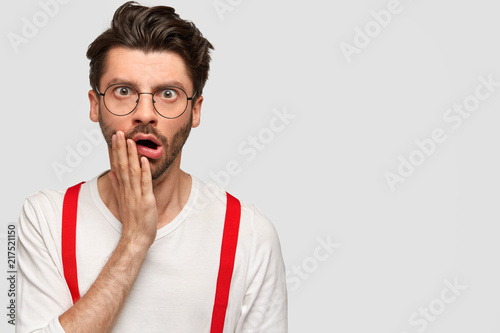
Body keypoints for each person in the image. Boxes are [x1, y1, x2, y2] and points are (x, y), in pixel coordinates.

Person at [16, 2, 288, 332]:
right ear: (95, 105)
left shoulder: (249, 234)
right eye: (123, 91)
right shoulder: (47, 219)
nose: (145, 112)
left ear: (196, 110)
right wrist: (134, 241)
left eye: (168, 93)